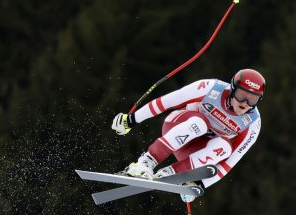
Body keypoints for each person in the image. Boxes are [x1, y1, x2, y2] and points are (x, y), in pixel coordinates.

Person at [111, 69, 265, 202]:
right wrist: (131, 120)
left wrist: (201, 185)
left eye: (252, 99)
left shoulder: (252, 123)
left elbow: (229, 163)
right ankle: (145, 163)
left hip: (194, 148)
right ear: (232, 89)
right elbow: (166, 102)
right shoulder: (211, 88)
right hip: (178, 126)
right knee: (200, 123)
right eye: (241, 95)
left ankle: (170, 174)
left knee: (225, 148)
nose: (245, 103)